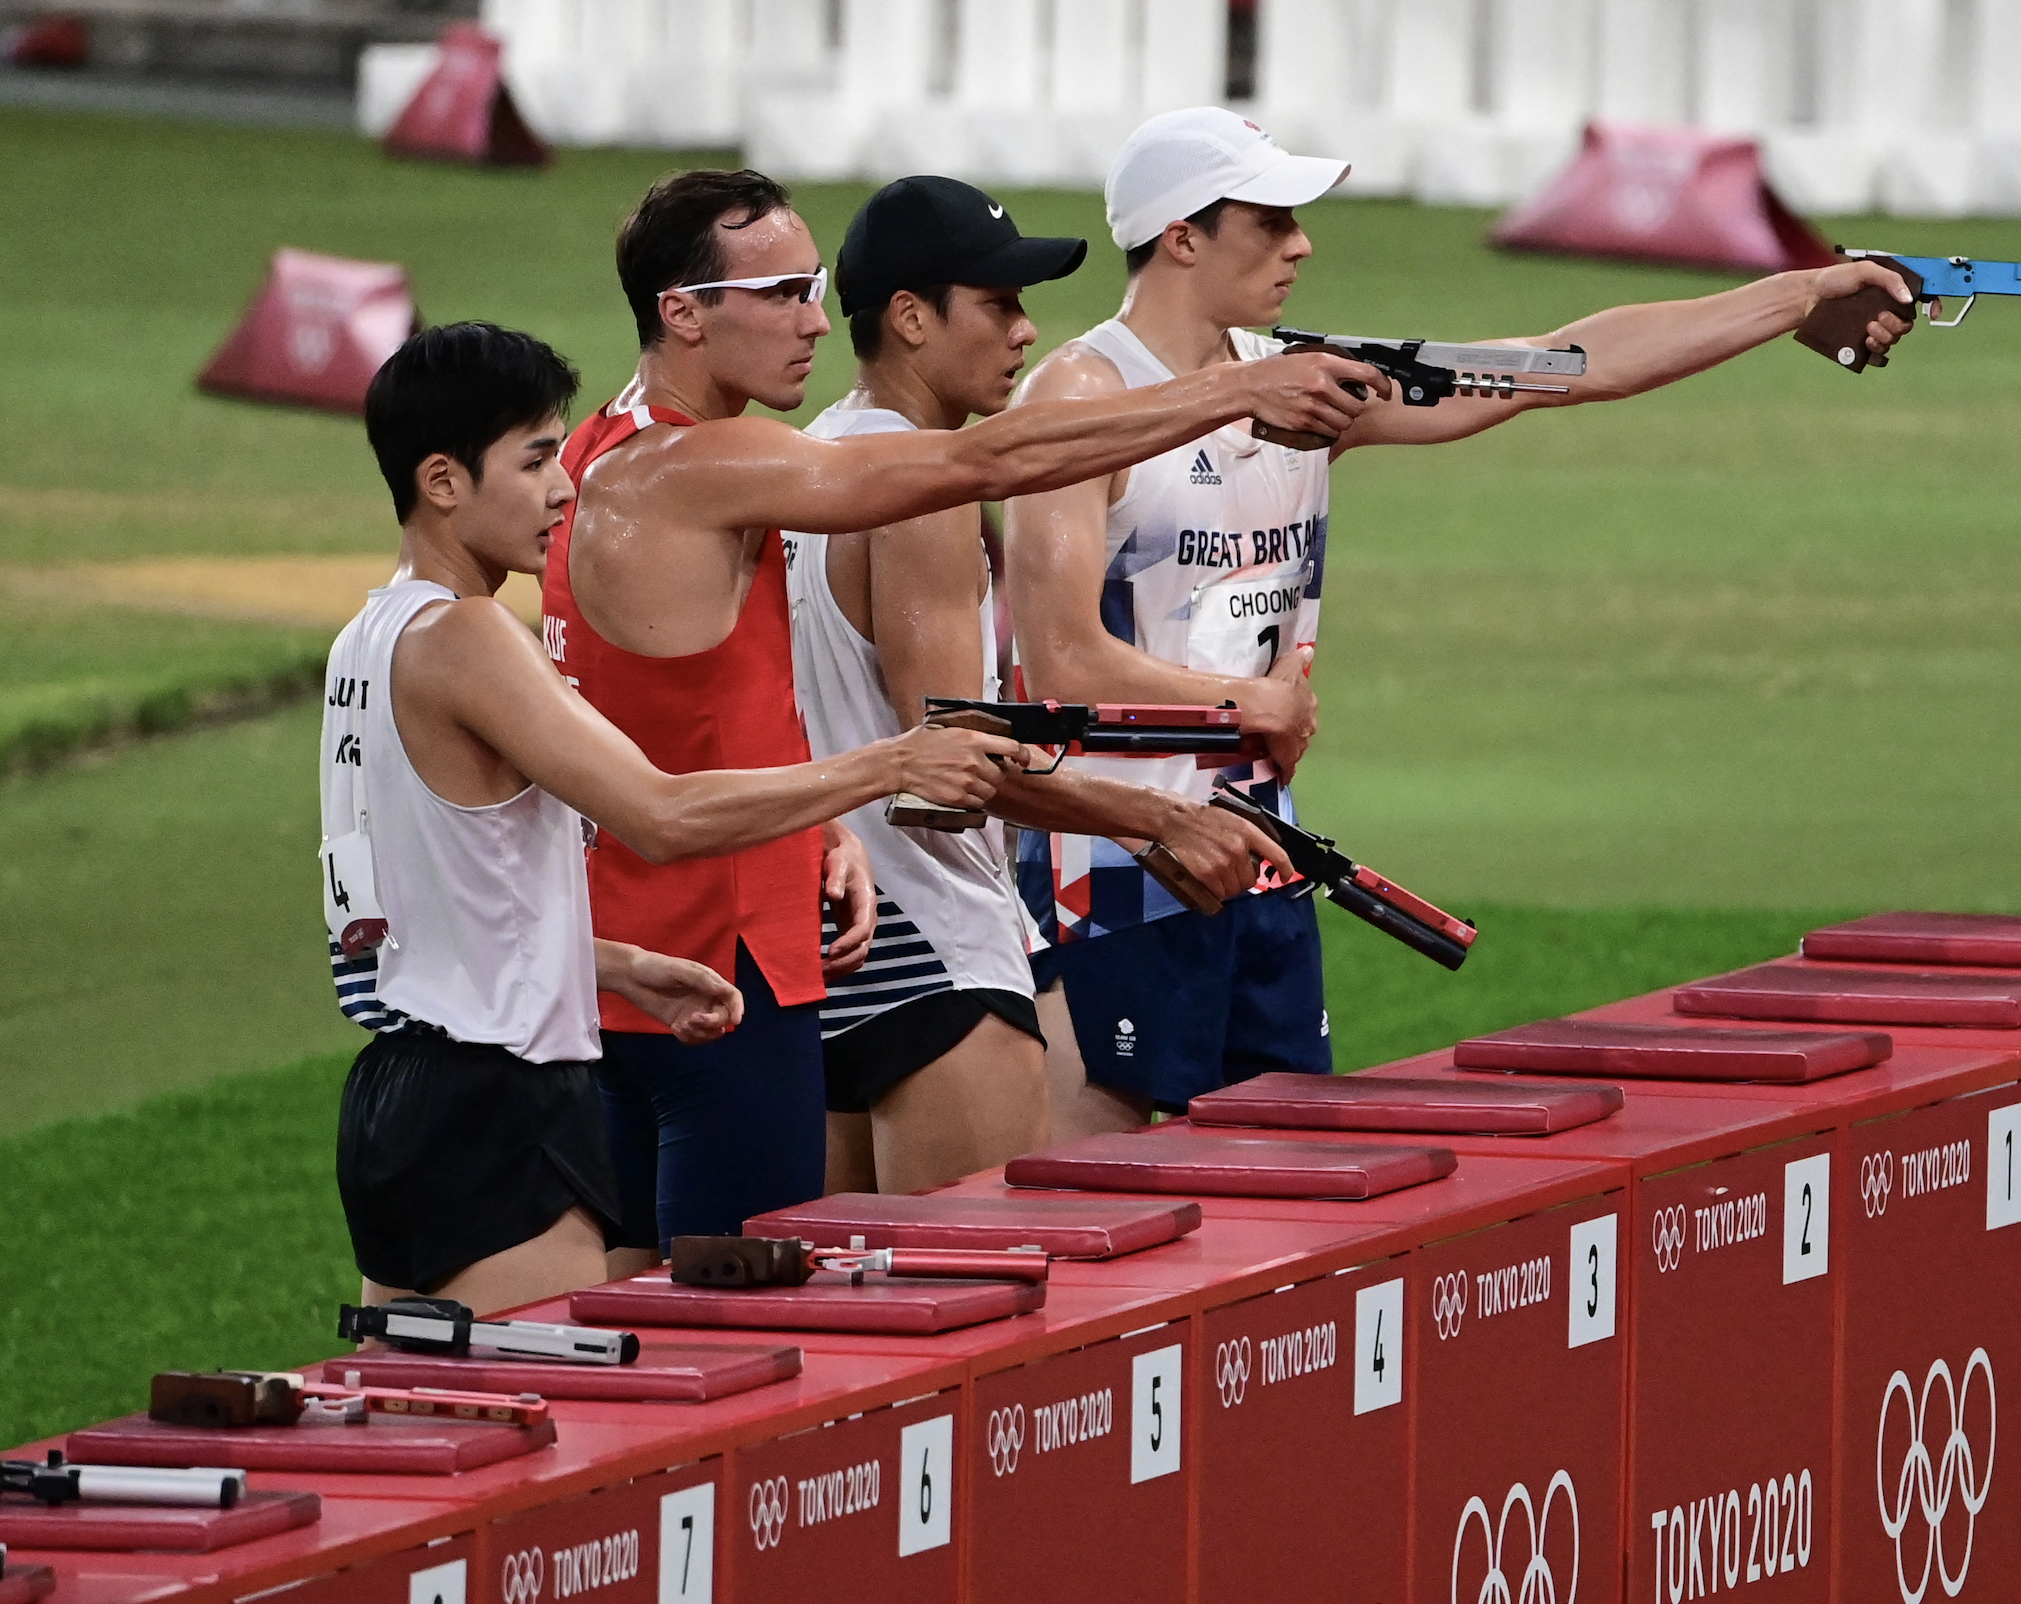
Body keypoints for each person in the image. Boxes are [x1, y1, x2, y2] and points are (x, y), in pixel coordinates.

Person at [1006, 107, 1917, 1135]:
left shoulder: (1306, 382)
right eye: (1270, 220)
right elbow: (1060, 655)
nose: (1302, 243)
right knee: (1101, 1184)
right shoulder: (1083, 394)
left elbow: (1564, 363)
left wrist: (1795, 297)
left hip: (1263, 848)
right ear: (1181, 236)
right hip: (1118, 859)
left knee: (1281, 1184)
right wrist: (1249, 700)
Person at [540, 169, 1381, 1247]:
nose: (811, 316)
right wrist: (1228, 391)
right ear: (683, 312)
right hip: (823, 952)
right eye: (787, 291)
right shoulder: (723, 464)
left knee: (676, 1318)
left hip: (681, 955)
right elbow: (988, 483)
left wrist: (826, 830)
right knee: (943, 1310)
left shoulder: (604, 460)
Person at [328, 321, 1025, 1314]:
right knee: (560, 1445)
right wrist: (888, 764)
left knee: (413, 1436)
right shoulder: (471, 637)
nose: (565, 489)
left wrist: (608, 962)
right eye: (533, 462)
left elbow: (408, 908)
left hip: (396, 1095)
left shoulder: (369, 634)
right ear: (442, 481)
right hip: (500, 1096)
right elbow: (659, 810)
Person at [790, 176, 1293, 1195]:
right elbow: (945, 764)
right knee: (973, 1316)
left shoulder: (809, 462)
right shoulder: (921, 484)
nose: (1027, 333)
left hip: (825, 942)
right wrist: (1151, 816)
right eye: (998, 303)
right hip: (935, 942)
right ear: (911, 318)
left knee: (836, 1324)